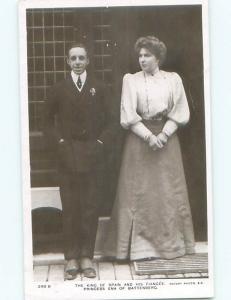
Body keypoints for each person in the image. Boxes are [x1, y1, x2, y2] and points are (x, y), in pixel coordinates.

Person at [103, 36, 195, 261]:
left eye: (147, 56)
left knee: (167, 191)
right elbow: (128, 114)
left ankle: (169, 246)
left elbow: (180, 110)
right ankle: (135, 249)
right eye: (140, 56)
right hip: (139, 141)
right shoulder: (131, 80)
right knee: (137, 192)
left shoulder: (173, 79)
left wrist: (163, 134)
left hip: (167, 139)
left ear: (158, 58)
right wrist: (148, 136)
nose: (142, 60)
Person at [44, 42, 117, 279]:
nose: (77, 62)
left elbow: (113, 122)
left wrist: (100, 144)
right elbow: (45, 122)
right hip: (67, 157)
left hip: (93, 156)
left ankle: (87, 256)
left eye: (81, 58)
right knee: (71, 207)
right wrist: (61, 143)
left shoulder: (100, 87)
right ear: (68, 61)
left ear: (88, 61)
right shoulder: (58, 88)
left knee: (89, 207)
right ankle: (71, 258)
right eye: (73, 58)